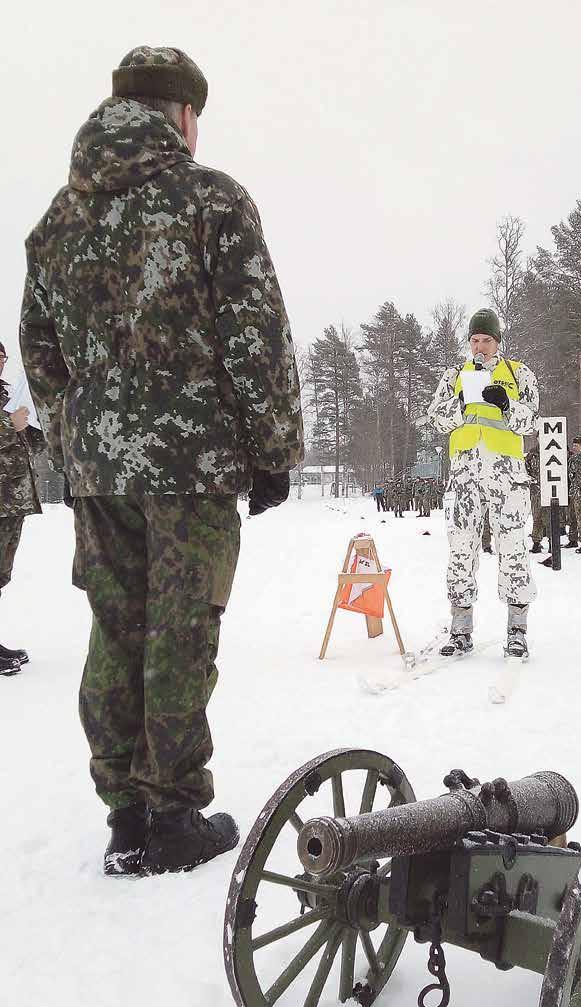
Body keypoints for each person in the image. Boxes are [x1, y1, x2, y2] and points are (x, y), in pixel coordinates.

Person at [20, 47, 304, 876]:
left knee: (118, 624)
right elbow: (254, 337)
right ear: (182, 114)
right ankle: (172, 814)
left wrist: (76, 439)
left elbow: (38, 347)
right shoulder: (210, 198)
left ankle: (125, 810)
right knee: (181, 629)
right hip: (192, 462)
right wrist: (272, 450)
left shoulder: (56, 219)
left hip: (101, 471)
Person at [428, 308, 538, 659]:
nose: (480, 346)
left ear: (498, 341)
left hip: (507, 477)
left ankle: (517, 631)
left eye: (486, 340)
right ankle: (460, 631)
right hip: (464, 477)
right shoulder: (454, 375)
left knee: (513, 551)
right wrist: (460, 404)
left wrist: (507, 405)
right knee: (461, 550)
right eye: (475, 340)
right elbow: (435, 418)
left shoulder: (518, 373)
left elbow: (532, 421)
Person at [0, 342, 46, 675]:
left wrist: (33, 424)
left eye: (2, 357)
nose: (1, 362)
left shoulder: (6, 394)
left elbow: (27, 444)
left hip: (10, 501)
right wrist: (7, 425)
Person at [525, 442, 546, 553]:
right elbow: (526, 470)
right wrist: (533, 483)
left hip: (550, 490)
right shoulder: (531, 454)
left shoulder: (553, 451)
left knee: (550, 518)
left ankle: (553, 543)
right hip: (536, 490)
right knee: (537, 517)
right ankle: (536, 542)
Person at [565, 436, 581, 548]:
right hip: (573, 492)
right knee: (572, 517)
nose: (574, 447)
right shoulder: (571, 459)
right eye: (574, 445)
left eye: (577, 445)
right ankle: (573, 539)